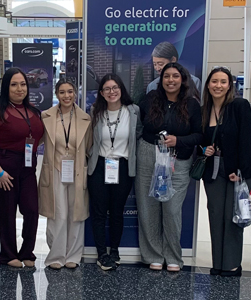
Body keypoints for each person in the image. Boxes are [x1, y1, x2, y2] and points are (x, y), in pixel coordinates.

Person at [136, 63, 202, 272]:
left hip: (178, 161)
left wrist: (179, 140)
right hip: (148, 156)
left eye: (175, 76)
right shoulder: (148, 100)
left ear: (183, 80)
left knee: (172, 211)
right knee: (148, 208)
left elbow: (199, 135)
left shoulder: (192, 105)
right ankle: (153, 255)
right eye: (166, 76)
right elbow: (139, 127)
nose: (170, 80)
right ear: (160, 79)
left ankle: (173, 256)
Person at [0, 68, 44, 268]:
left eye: (23, 84)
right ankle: (8, 255)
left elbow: (39, 137)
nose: (19, 89)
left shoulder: (33, 111)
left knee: (32, 210)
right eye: (14, 84)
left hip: (27, 169)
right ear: (6, 87)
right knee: (7, 213)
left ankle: (27, 252)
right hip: (5, 169)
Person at [200, 66, 251, 276]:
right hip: (213, 170)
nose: (218, 85)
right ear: (208, 84)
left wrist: (240, 169)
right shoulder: (204, 109)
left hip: (238, 170)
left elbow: (247, 139)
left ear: (230, 85)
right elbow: (201, 139)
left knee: (232, 217)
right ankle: (219, 263)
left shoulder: (239, 105)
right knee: (216, 214)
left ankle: (232, 264)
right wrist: (203, 149)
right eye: (214, 81)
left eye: (223, 82)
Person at [88, 73, 140, 271]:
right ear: (101, 93)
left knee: (117, 211)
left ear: (121, 89)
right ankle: (102, 254)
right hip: (99, 166)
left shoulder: (133, 111)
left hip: (123, 166)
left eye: (115, 87)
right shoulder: (96, 111)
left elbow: (138, 136)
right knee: (99, 212)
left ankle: (115, 251)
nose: (112, 92)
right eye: (107, 89)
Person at [39, 79, 92, 269]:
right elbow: (35, 141)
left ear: (75, 94)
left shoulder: (86, 118)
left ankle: (73, 256)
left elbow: (90, 147)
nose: (67, 96)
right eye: (62, 92)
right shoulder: (46, 116)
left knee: (75, 213)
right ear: (56, 94)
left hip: (77, 170)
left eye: (70, 92)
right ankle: (56, 256)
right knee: (57, 213)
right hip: (55, 169)